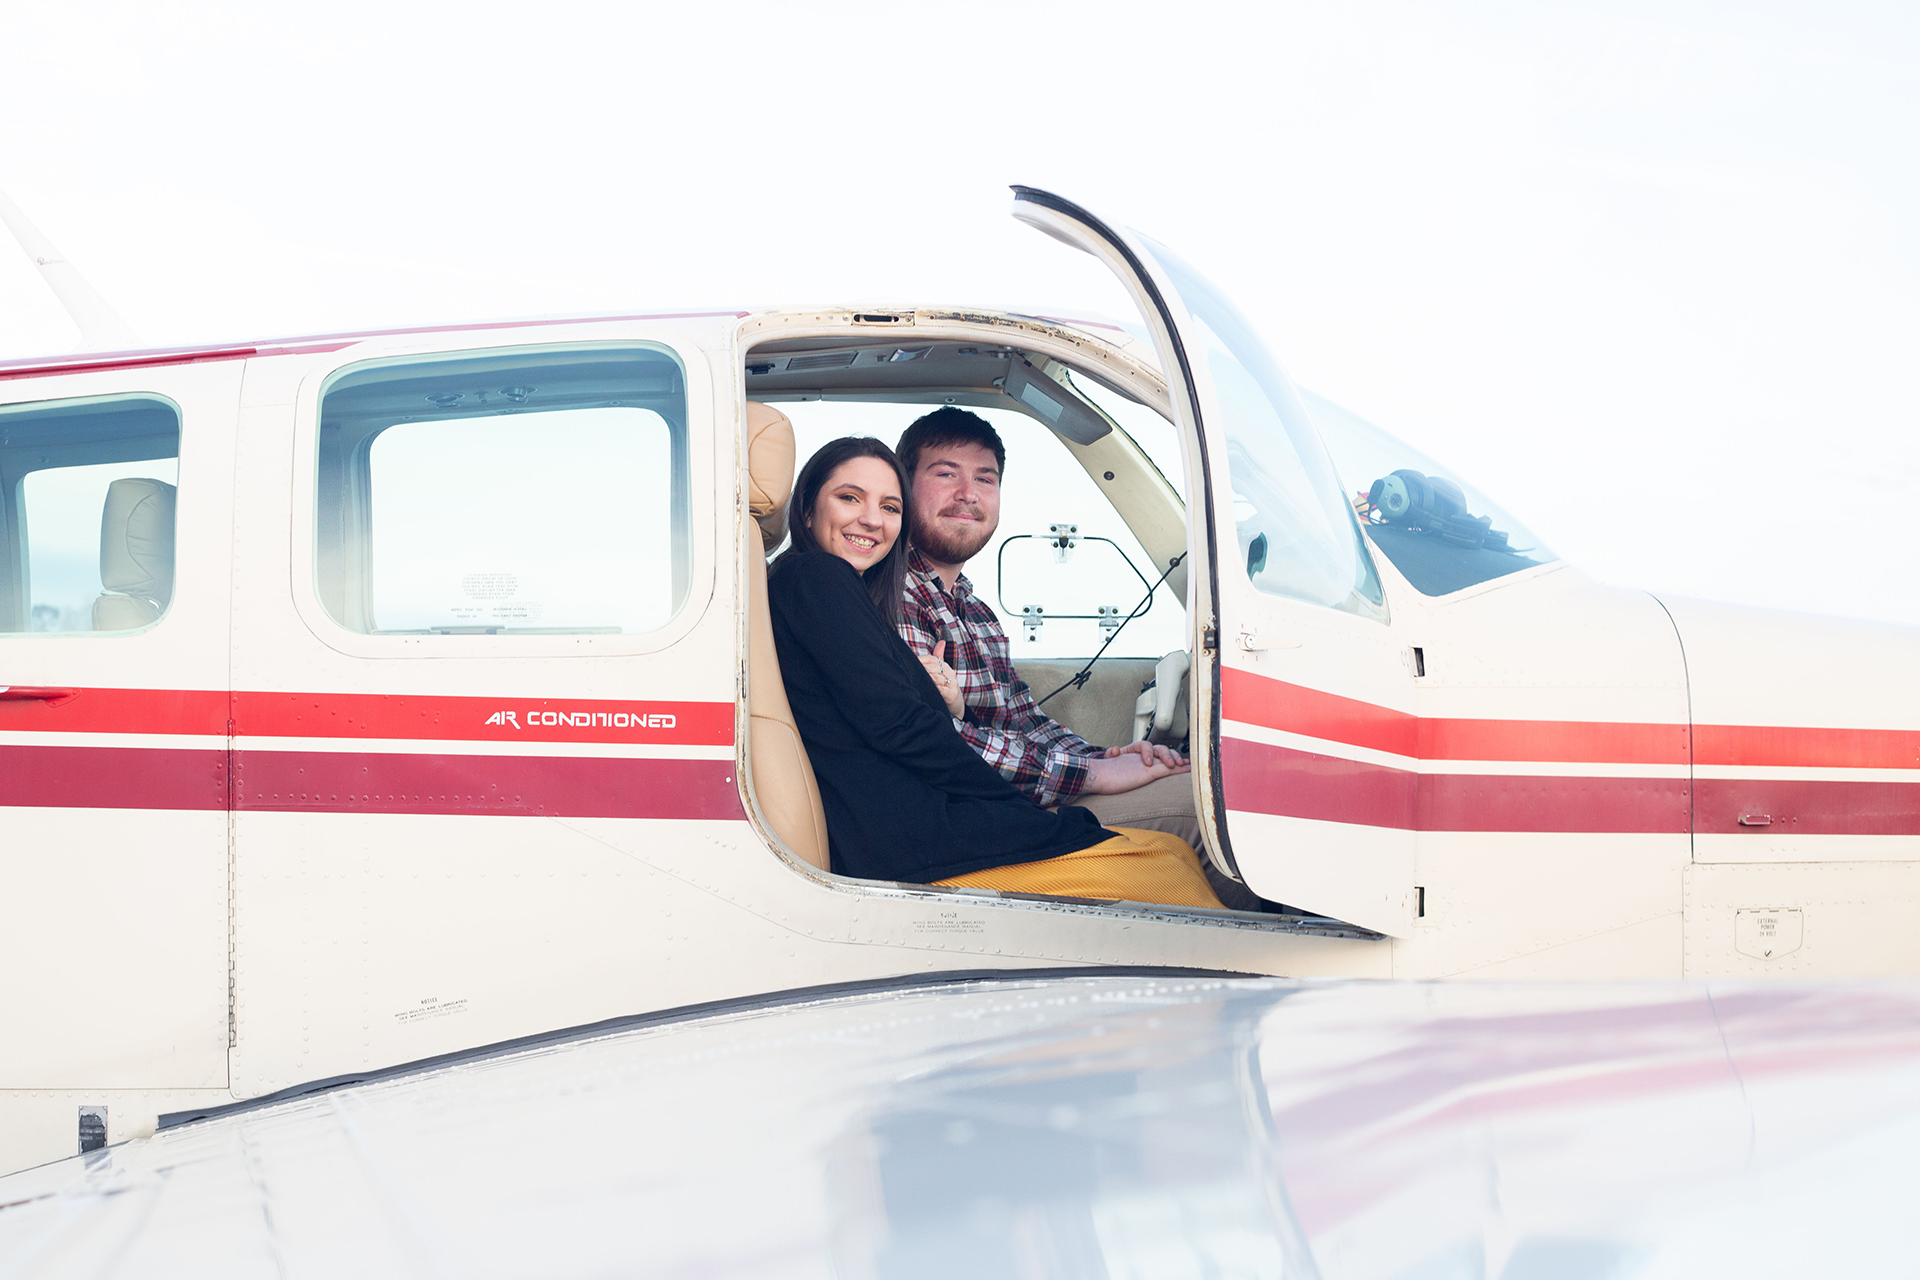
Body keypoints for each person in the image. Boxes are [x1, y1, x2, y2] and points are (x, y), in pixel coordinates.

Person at [765, 435, 1222, 909]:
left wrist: (1103, 758)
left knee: (1167, 857)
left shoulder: (851, 590)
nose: (872, 519)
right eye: (848, 498)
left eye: (888, 506)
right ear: (806, 509)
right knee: (1167, 870)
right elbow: (905, 727)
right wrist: (1027, 805)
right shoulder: (821, 578)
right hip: (910, 846)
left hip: (920, 831)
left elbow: (1011, 719)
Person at [892, 407, 1262, 910]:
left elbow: (1022, 720)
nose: (969, 494)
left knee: (1194, 786)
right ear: (904, 487)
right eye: (945, 474)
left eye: (986, 478)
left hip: (1017, 797)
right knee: (1220, 815)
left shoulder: (973, 608)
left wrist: (1104, 757)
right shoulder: (895, 595)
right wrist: (1090, 776)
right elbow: (938, 744)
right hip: (977, 823)